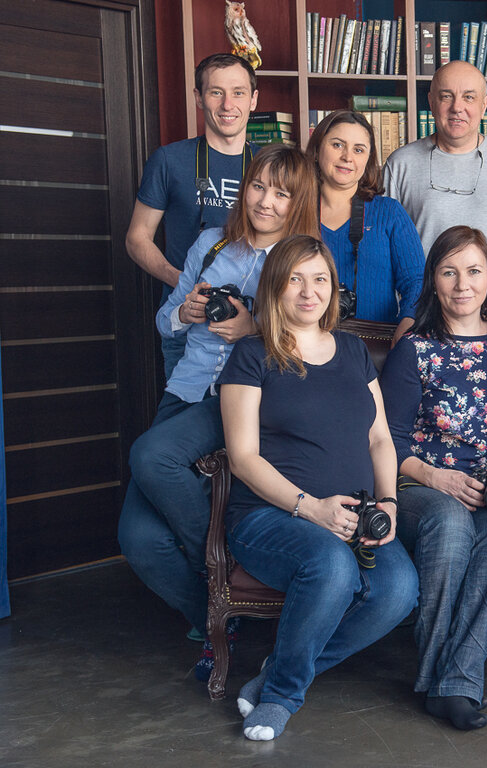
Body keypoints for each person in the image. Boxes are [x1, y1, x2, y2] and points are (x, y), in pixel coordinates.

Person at [117, 145, 319, 674]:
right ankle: (215, 609)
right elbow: (164, 321)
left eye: (282, 193)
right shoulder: (211, 244)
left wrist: (255, 328)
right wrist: (184, 312)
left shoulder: (301, 261)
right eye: (258, 186)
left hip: (239, 400)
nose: (266, 201)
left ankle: (220, 561)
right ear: (243, 187)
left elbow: (314, 343)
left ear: (298, 202)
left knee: (151, 456)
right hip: (185, 391)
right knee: (137, 539)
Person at [219, 235, 418, 741]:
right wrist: (311, 509)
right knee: (330, 566)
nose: (309, 292)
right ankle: (282, 696)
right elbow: (242, 458)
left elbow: (379, 439)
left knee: (399, 590)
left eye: (320, 279)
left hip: (354, 516)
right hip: (270, 517)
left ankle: (278, 670)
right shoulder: (251, 355)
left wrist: (389, 503)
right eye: (295, 280)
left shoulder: (352, 350)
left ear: (334, 288)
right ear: (274, 288)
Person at [380, 226, 487, 731]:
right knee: (451, 524)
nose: (463, 284)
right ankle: (435, 677)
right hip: (418, 485)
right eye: (449, 271)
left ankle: (456, 685)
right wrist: (435, 478)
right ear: (433, 281)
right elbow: (385, 441)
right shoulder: (414, 349)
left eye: (474, 271)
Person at [127, 53, 260, 378]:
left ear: (254, 99)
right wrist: (182, 281)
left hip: (255, 325)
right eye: (216, 92)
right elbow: (137, 238)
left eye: (238, 92)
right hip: (187, 320)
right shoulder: (169, 160)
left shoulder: (271, 164)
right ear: (199, 97)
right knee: (185, 407)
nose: (228, 104)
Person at [383, 60, 487, 280]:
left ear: (484, 105)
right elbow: (385, 248)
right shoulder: (400, 164)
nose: (457, 107)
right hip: (422, 300)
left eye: (468, 97)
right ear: (431, 102)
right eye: (446, 96)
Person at [307, 110, 425, 345]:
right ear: (318, 148)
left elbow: (417, 281)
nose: (347, 157)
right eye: (337, 145)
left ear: (369, 159)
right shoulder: (296, 211)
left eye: (358, 150)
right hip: (304, 345)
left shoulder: (389, 213)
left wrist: (408, 322)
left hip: (376, 346)